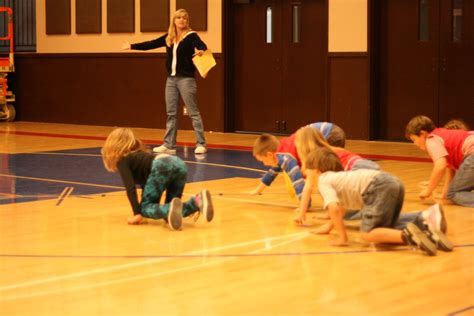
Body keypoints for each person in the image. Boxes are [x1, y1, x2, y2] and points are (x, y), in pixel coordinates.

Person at [295, 148, 452, 256]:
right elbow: (342, 208)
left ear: (316, 170)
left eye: (307, 172)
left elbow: (334, 209)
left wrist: (343, 237)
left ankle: (411, 236)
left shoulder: (324, 179)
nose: (306, 175)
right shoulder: (339, 178)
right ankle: (426, 220)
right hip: (392, 182)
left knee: (368, 234)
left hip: (378, 186)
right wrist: (329, 227)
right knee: (384, 228)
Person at [121, 9, 208, 155]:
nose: (182, 20)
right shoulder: (169, 37)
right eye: (179, 18)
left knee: (193, 112)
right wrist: (131, 46)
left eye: (184, 18)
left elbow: (202, 45)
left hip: (186, 79)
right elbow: (151, 44)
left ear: (187, 21)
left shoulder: (192, 36)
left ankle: (201, 144)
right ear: (174, 20)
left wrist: (201, 51)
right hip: (171, 80)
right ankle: (169, 145)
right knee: (171, 113)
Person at [101, 128, 214, 230]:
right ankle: (197, 201)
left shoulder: (123, 160)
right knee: (168, 213)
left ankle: (169, 209)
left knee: (146, 208)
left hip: (162, 165)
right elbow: (147, 186)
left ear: (113, 146)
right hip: (179, 164)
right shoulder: (140, 156)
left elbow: (130, 187)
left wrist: (138, 213)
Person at [405, 115, 474, 207]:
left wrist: (428, 191)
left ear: (423, 134)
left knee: (454, 193)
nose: (415, 144)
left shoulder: (431, 139)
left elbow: (440, 166)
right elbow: (451, 174)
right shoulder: (444, 138)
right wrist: (444, 196)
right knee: (453, 192)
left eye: (414, 139)